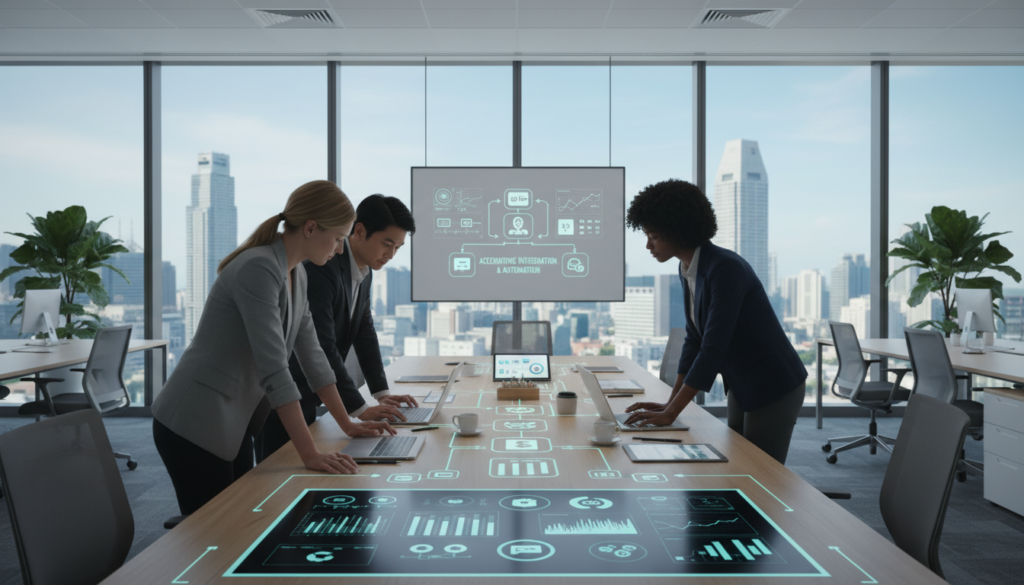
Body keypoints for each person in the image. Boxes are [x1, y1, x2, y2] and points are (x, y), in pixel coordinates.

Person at [152, 180, 395, 515]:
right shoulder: (258, 267)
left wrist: (348, 424)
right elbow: (274, 368)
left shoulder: (297, 274)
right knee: (214, 535)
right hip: (195, 420)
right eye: (338, 238)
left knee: (237, 525)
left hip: (232, 419)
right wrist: (309, 453)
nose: (341, 249)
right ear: (311, 228)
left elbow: (314, 357)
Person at [622, 179, 807, 465]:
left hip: (774, 383)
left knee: (761, 473)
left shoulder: (725, 268)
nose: (648, 245)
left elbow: (713, 347)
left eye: (654, 236)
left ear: (677, 231)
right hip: (742, 380)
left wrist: (672, 413)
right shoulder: (687, 268)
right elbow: (695, 339)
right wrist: (670, 404)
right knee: (737, 463)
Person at [255, 194, 418, 462]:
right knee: (274, 473)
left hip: (312, 388)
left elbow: (365, 333)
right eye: (387, 244)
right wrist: (359, 409)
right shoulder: (321, 267)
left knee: (300, 472)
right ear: (360, 231)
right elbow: (322, 347)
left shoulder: (365, 273)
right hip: (285, 392)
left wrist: (381, 394)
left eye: (398, 248)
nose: (390, 255)